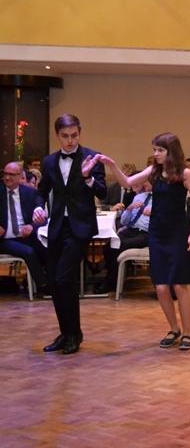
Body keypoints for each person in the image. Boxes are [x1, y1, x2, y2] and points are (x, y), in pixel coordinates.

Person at [98, 133, 190, 351]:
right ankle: (173, 328)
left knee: (179, 285)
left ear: (171, 151)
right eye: (154, 149)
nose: (155, 154)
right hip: (157, 233)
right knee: (161, 286)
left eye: (160, 150)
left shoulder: (184, 173)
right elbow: (127, 182)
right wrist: (112, 165)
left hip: (178, 232)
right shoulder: (154, 171)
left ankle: (187, 332)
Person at [33, 114, 106, 355]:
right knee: (54, 282)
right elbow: (41, 192)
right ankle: (66, 333)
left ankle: (74, 333)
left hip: (80, 227)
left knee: (65, 279)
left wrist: (88, 178)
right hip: (57, 226)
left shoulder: (92, 157)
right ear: (57, 136)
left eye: (74, 135)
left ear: (79, 132)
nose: (70, 140)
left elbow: (103, 192)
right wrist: (37, 207)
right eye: (65, 136)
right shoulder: (49, 161)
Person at [96, 180, 153, 295]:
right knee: (108, 247)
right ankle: (113, 278)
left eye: (147, 182)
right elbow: (124, 221)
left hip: (146, 233)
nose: (144, 184)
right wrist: (129, 209)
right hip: (130, 229)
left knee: (118, 246)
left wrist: (154, 212)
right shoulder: (139, 197)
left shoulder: (161, 201)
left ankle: (110, 282)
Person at [0, 161, 47, 293]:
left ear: (21, 176)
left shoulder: (30, 193)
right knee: (28, 252)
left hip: (26, 237)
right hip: (4, 239)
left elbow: (42, 220)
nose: (7, 177)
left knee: (49, 247)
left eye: (11, 174)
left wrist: (31, 226)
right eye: (5, 174)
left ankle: (56, 282)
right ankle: (43, 286)